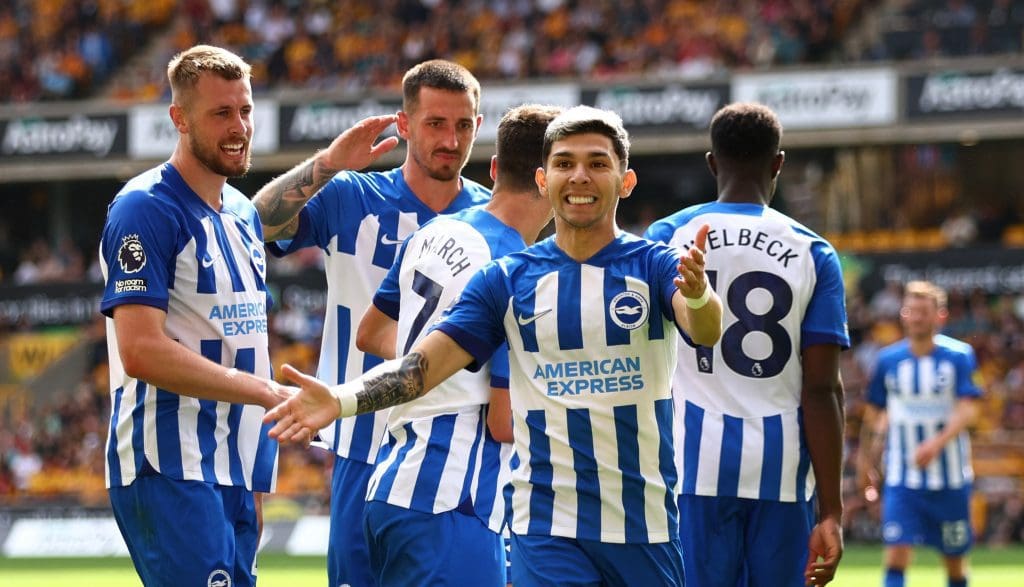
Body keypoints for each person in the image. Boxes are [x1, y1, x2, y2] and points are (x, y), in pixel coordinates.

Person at [263, 105, 724, 586]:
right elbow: (422, 366)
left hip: (641, 522)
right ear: (543, 180)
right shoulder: (506, 277)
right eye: (565, 163)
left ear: (625, 181)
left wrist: (699, 293)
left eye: (598, 163)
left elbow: (704, 328)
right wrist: (340, 400)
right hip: (542, 524)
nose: (580, 176)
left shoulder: (653, 264)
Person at [251, 59, 490, 587]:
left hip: (456, 457)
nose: (451, 140)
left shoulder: (494, 220)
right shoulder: (353, 196)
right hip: (363, 444)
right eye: (435, 124)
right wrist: (329, 164)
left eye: (464, 125)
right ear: (403, 126)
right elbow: (257, 223)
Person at [98, 45, 292, 587]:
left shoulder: (242, 215)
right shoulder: (145, 208)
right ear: (179, 119)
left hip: (237, 463)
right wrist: (260, 392)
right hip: (170, 461)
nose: (240, 127)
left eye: (245, 111)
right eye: (221, 113)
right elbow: (140, 350)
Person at [354, 104, 562, 586]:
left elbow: (373, 333)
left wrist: (452, 360)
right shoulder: (517, 269)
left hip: (392, 485)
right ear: (547, 179)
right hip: (453, 500)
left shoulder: (434, 230)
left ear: (493, 170)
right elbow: (504, 420)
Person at [644, 102, 848, 587]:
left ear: (712, 162)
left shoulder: (667, 235)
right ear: (778, 162)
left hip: (691, 468)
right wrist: (832, 511)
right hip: (781, 472)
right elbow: (823, 389)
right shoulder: (813, 251)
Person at [858, 280, 980, 587]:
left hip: (950, 479)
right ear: (903, 314)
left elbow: (969, 409)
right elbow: (874, 416)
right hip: (903, 478)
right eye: (912, 310)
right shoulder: (888, 361)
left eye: (925, 311)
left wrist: (936, 444)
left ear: (940, 315)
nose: (917, 317)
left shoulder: (959, 356)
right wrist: (865, 461)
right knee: (896, 553)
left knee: (954, 560)